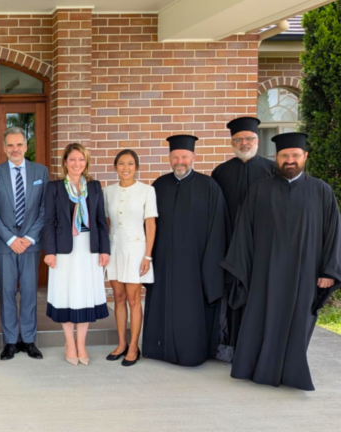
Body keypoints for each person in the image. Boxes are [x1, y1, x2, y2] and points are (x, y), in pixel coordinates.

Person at [221, 132, 341, 391]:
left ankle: (292, 373)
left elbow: (333, 233)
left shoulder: (321, 191)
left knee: (298, 321)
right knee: (261, 318)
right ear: (276, 158)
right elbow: (244, 231)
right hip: (265, 272)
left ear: (305, 157)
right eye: (284, 156)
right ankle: (256, 368)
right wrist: (243, 270)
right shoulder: (259, 190)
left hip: (305, 272)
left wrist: (328, 270)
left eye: (295, 155)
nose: (290, 160)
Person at [143, 135, 227, 367]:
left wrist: (209, 265)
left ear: (193, 157)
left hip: (195, 263)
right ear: (169, 158)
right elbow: (148, 224)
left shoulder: (209, 186)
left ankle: (192, 353)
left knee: (191, 311)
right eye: (175, 157)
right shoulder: (159, 185)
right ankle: (159, 350)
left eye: (184, 157)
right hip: (164, 261)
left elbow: (218, 229)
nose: (179, 161)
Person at [211, 117, 275, 361]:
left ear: (257, 141)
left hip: (262, 247)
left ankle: (257, 348)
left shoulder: (272, 171)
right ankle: (228, 346)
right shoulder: (220, 172)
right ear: (232, 143)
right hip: (229, 246)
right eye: (238, 139)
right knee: (230, 297)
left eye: (249, 138)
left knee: (259, 296)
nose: (244, 143)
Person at [43, 143, 110, 366]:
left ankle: (82, 343)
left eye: (81, 159)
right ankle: (69, 343)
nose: (76, 164)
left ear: (86, 162)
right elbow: (48, 222)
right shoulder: (54, 187)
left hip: (89, 249)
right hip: (64, 251)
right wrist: (50, 252)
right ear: (65, 162)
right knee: (67, 295)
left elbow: (101, 221)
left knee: (84, 296)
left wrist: (104, 250)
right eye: (72, 159)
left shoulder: (94, 187)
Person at [0, 126, 49, 361]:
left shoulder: (40, 172)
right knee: (6, 293)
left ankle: (29, 340)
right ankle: (11, 341)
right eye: (10, 145)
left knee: (29, 292)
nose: (15, 149)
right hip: (5, 244)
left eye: (19, 144)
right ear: (4, 148)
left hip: (31, 243)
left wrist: (28, 238)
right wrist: (11, 239)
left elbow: (44, 209)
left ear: (26, 146)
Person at [103, 149, 157, 367]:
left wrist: (148, 256)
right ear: (115, 166)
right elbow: (105, 222)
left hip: (136, 250)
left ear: (136, 167)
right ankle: (121, 343)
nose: (126, 168)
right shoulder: (108, 191)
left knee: (134, 299)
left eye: (130, 164)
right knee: (117, 297)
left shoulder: (147, 190)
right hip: (115, 247)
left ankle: (134, 346)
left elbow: (151, 224)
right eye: (121, 164)